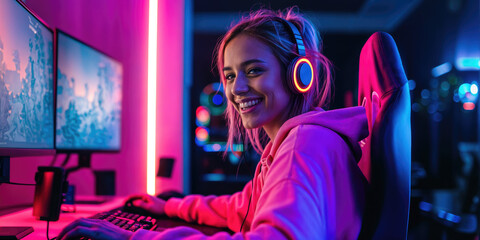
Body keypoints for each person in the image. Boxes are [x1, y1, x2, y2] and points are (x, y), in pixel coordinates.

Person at [57, 7, 369, 239]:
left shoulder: (302, 148)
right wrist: (168, 208)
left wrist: (135, 236)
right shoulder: (297, 143)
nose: (237, 89)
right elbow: (240, 208)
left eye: (254, 70)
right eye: (231, 76)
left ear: (297, 75)